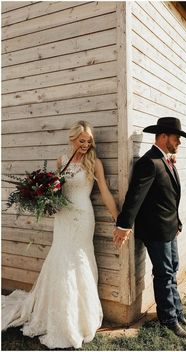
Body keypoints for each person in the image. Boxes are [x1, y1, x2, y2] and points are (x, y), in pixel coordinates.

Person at [2, 121, 119, 349]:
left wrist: (119, 219)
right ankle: (57, 315)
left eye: (88, 141)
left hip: (83, 217)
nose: (85, 145)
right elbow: (55, 192)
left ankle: (81, 319)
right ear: (72, 139)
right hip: (63, 218)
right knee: (60, 258)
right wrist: (44, 199)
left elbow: (104, 190)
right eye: (81, 140)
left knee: (79, 259)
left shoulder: (95, 162)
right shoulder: (61, 161)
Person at [113, 117, 186, 338]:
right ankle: (168, 319)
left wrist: (177, 222)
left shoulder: (166, 160)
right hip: (156, 231)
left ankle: (178, 314)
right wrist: (123, 225)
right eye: (177, 138)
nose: (179, 142)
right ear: (162, 136)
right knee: (163, 273)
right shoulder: (149, 162)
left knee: (172, 271)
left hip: (170, 229)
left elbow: (169, 198)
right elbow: (135, 197)